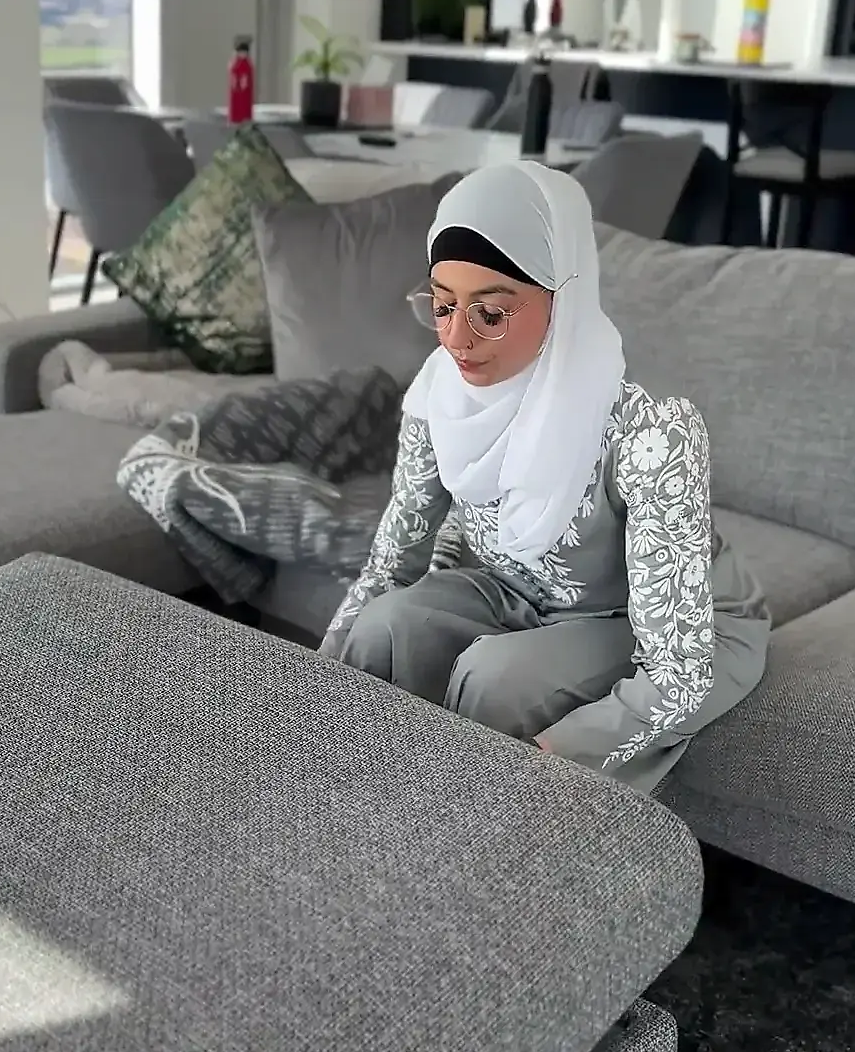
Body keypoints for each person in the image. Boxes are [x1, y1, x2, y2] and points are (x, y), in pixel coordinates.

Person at [319, 160, 771, 795]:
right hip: (518, 595)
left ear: (564, 296)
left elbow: (680, 673)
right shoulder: (437, 400)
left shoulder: (650, 434)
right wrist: (311, 686)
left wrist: (553, 760)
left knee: (495, 681)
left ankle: (464, 829)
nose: (456, 339)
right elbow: (392, 565)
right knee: (380, 630)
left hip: (657, 624)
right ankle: (345, 811)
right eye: (443, 306)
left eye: (490, 314)